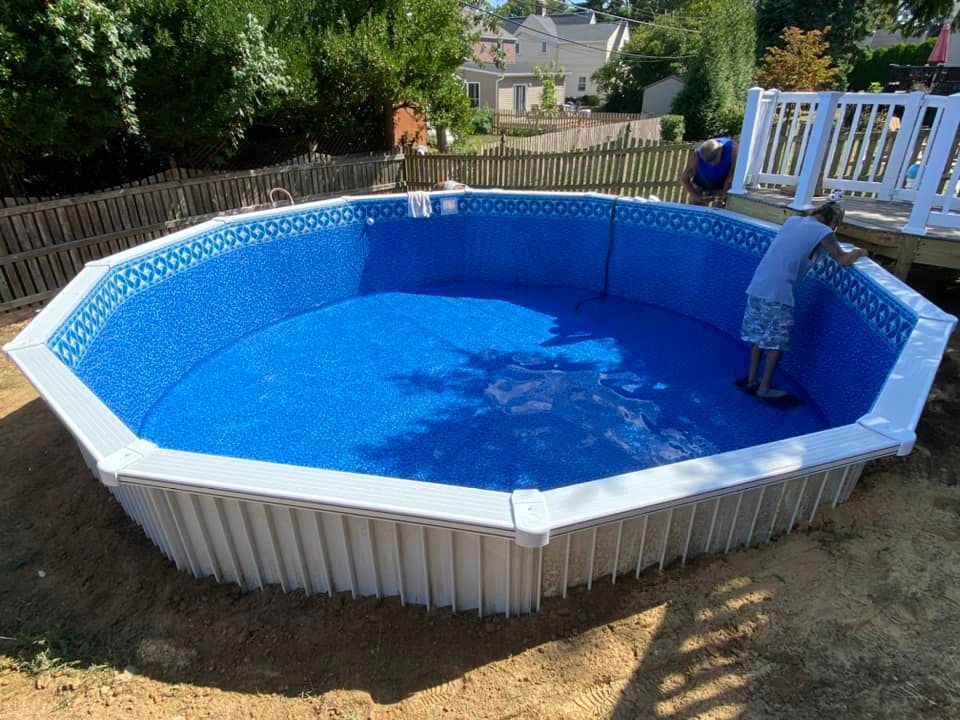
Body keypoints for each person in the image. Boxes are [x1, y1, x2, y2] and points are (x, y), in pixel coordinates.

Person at [740, 199, 867, 399]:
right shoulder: (823, 233)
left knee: (758, 337)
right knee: (776, 344)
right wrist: (859, 252)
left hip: (758, 285)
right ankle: (764, 388)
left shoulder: (792, 221)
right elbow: (843, 259)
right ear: (833, 221)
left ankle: (751, 380)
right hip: (779, 293)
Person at [681, 137, 738, 206]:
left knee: (719, 212)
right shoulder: (697, 155)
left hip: (722, 187)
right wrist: (695, 196)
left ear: (720, 149)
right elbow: (684, 179)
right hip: (700, 186)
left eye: (714, 161)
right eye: (708, 162)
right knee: (695, 212)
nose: (712, 164)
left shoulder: (733, 150)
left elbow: (730, 177)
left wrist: (724, 193)